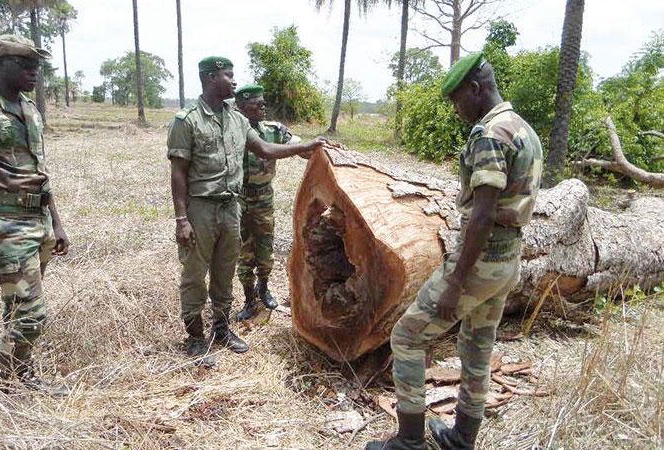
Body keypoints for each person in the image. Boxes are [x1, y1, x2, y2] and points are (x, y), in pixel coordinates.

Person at [365, 52, 543, 450]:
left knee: (408, 337)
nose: (456, 108)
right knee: (478, 347)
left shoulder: (489, 136)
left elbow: (481, 217)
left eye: (457, 99)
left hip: (479, 263)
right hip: (508, 260)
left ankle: (410, 442)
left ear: (476, 89)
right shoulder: (522, 128)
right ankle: (462, 439)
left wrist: (454, 282)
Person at [167, 57, 323, 368]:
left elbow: (265, 149)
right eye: (229, 75)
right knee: (195, 274)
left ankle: (222, 330)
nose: (234, 81)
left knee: (225, 272)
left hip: (231, 208)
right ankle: (196, 337)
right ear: (212, 78)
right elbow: (178, 173)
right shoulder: (187, 121)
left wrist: (305, 147)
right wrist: (181, 219)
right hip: (200, 208)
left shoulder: (237, 120)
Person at [0, 35, 70, 395]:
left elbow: (39, 170)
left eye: (36, 65)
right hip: (4, 223)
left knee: (18, 307)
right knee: (32, 312)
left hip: (37, 221)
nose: (34, 71)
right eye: (25, 64)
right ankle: (1, 384)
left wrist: (55, 222)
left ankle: (20, 377)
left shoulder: (28, 107)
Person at [232, 83, 301, 321]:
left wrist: (318, 148)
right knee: (244, 252)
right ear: (240, 107)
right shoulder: (231, 131)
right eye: (256, 103)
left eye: (263, 102)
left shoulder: (274, 130)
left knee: (265, 247)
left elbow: (297, 145)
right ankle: (249, 299)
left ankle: (264, 289)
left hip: (263, 199)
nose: (263, 107)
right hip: (238, 200)